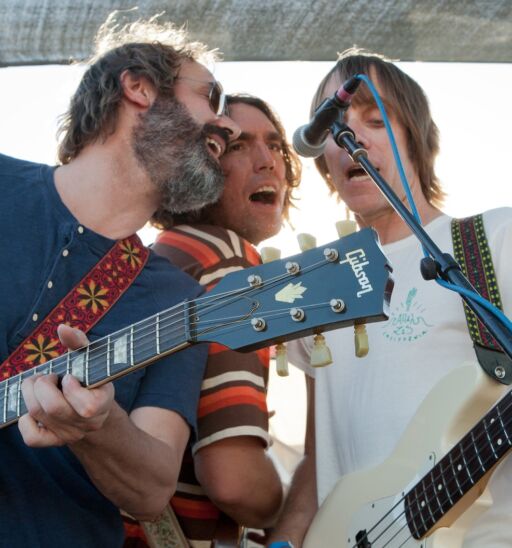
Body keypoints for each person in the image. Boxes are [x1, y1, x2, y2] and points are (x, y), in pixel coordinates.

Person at [0, 15, 242, 548]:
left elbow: (152, 490)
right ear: (138, 87)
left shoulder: (179, 300)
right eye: (211, 96)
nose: (232, 127)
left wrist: (100, 427)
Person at [269, 49, 512, 547]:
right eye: (332, 129)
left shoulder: (494, 240)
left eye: (376, 121)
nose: (350, 139)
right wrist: (285, 540)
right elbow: (321, 459)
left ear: (417, 142)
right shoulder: (318, 289)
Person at [122, 94, 301, 546]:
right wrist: (292, 508)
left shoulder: (158, 259)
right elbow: (234, 482)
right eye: (239, 146)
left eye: (276, 145)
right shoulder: (227, 260)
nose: (269, 163)